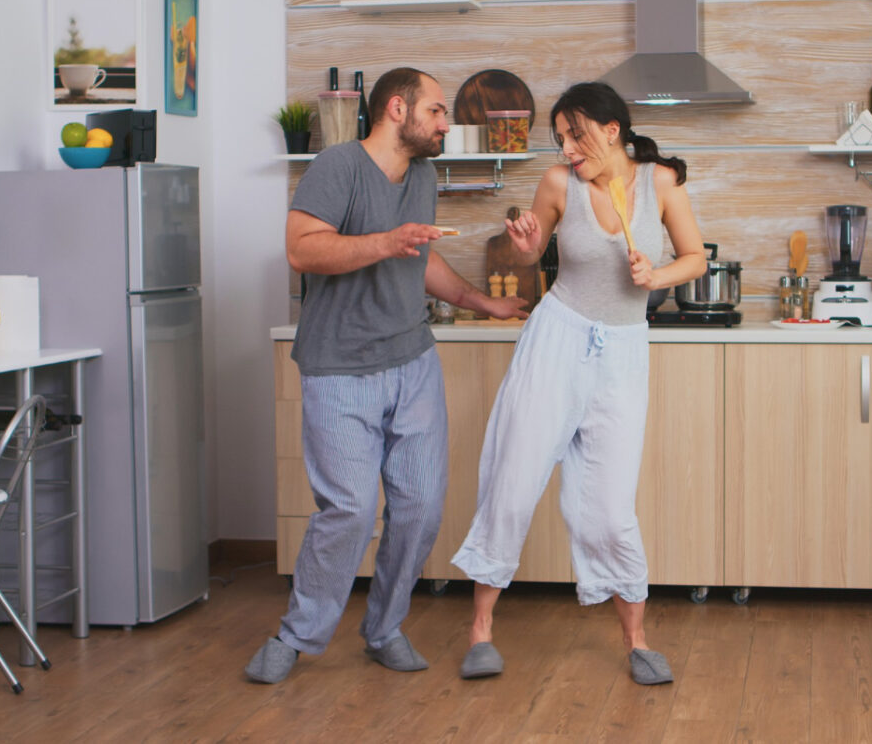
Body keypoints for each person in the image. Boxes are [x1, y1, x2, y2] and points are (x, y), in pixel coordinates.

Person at [245, 67, 527, 685]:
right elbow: (302, 248)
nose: (446, 124)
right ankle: (297, 637)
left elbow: (419, 254)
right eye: (436, 111)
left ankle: (384, 628)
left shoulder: (421, 175)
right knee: (347, 510)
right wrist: (383, 241)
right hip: (341, 368)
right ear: (396, 109)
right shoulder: (338, 166)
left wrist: (487, 304)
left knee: (421, 508)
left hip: (412, 362)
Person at [450, 82, 707, 685]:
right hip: (557, 339)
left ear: (612, 129)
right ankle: (480, 632)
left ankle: (638, 642)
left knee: (610, 507)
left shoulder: (661, 183)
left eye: (575, 135)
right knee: (513, 481)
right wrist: (524, 243)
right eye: (560, 138)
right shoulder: (557, 184)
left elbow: (695, 257)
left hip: (622, 350)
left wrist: (657, 272)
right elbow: (532, 246)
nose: (566, 148)